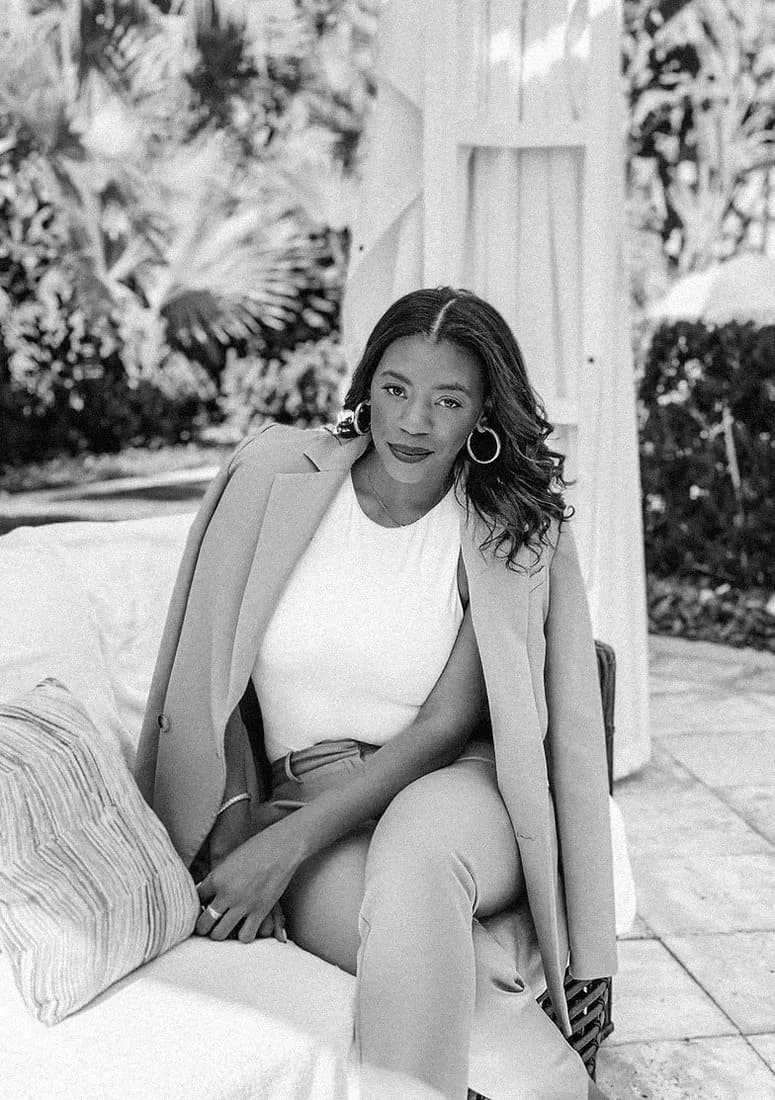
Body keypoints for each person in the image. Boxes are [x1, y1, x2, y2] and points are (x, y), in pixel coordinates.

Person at [135, 287, 616, 1100]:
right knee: (442, 966)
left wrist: (284, 849)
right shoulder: (268, 477)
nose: (412, 421)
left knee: (417, 852)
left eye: (447, 400)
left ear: (482, 413)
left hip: (455, 788)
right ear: (366, 384)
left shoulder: (505, 527)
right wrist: (238, 821)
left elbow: (447, 723)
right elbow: (207, 669)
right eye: (395, 389)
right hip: (306, 794)